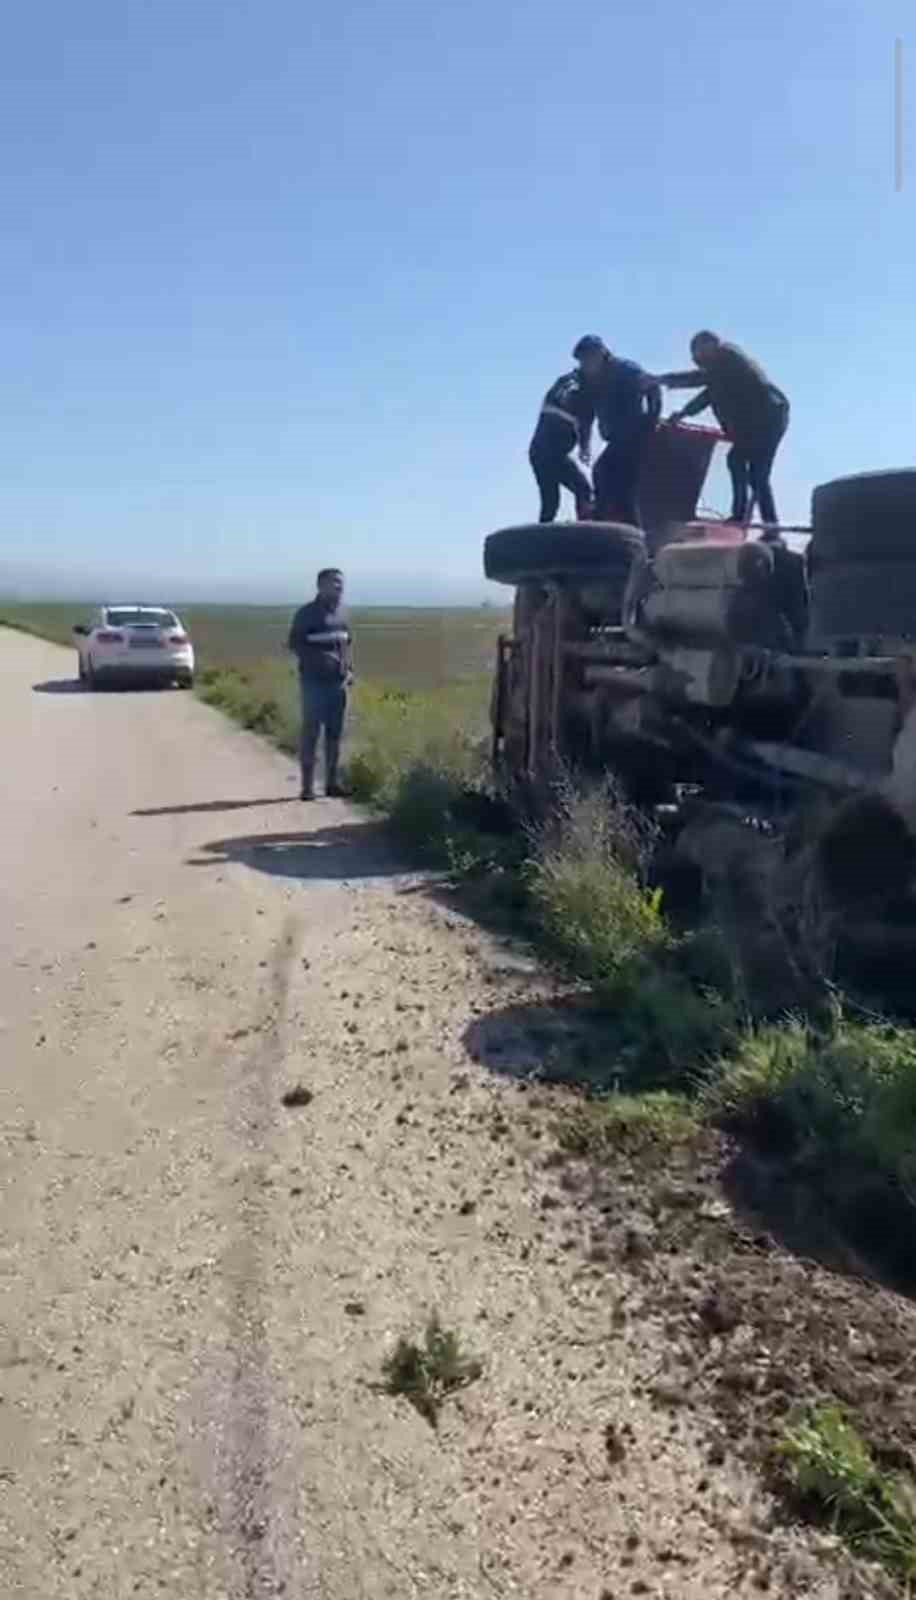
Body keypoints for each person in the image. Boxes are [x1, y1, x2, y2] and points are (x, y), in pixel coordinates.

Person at [662, 331, 789, 526]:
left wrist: (664, 379)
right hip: (754, 425)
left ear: (712, 346)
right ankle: (751, 518)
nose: (698, 359)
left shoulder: (729, 358)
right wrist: (682, 414)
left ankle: (763, 522)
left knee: (754, 472)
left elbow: (700, 380)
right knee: (744, 466)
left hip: (767, 420)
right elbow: (707, 396)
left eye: (700, 352)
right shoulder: (718, 373)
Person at [575, 335, 661, 526]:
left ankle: (632, 538)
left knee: (621, 485)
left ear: (601, 354)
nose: (586, 364)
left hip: (635, 436)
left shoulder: (625, 370)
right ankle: (603, 524)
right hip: (615, 439)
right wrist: (584, 444)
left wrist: (651, 420)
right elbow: (585, 414)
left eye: (589, 358)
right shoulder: (588, 381)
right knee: (603, 476)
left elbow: (653, 387)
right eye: (582, 360)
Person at [288, 568, 352, 801]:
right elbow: (295, 644)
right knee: (311, 733)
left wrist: (349, 670)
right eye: (334, 583)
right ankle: (307, 787)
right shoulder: (307, 614)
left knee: (335, 735)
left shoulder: (343, 614)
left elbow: (346, 644)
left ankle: (332, 783)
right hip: (314, 683)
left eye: (341, 583)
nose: (339, 587)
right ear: (320, 586)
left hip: (339, 684)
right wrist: (320, 660)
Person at [528, 359, 595, 522]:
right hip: (548, 451)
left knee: (552, 501)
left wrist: (584, 446)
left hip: (545, 451)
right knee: (579, 490)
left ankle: (544, 535)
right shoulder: (576, 386)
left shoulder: (574, 384)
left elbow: (585, 420)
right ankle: (586, 529)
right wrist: (583, 444)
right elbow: (582, 419)